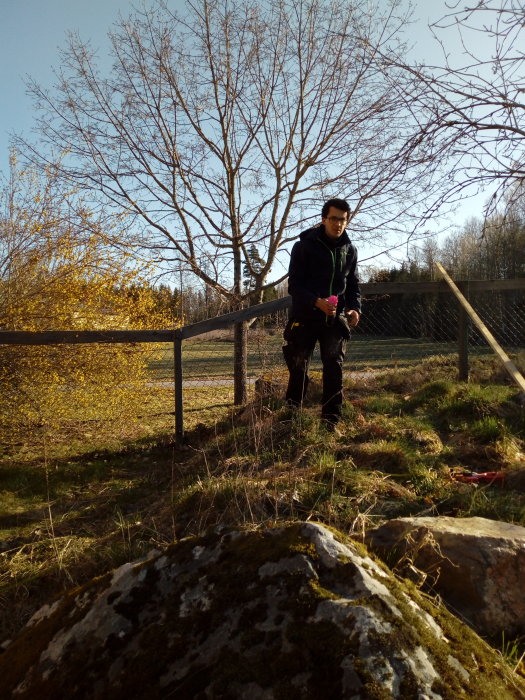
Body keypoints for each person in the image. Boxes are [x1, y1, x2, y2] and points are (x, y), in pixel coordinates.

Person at [282, 198, 361, 431]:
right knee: (298, 369)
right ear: (324, 219)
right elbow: (294, 285)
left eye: (343, 220)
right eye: (334, 218)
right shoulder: (304, 246)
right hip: (304, 318)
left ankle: (330, 424)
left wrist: (355, 308)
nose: (338, 224)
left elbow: (354, 284)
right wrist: (317, 302)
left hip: (334, 320)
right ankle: (290, 420)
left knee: (334, 369)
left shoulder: (350, 250)